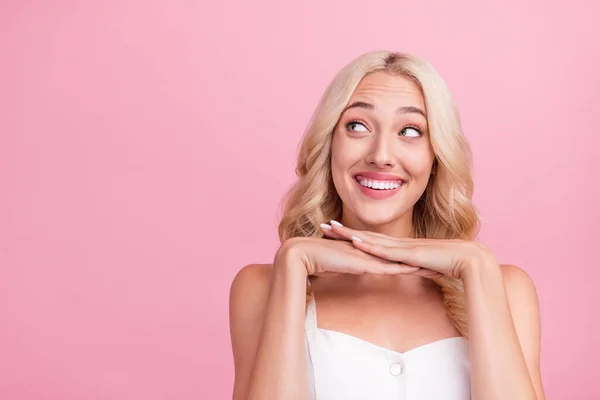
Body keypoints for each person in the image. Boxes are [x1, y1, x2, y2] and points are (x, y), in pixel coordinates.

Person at [228, 51, 546, 400]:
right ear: (329, 145)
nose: (381, 155)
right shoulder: (262, 287)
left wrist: (477, 265)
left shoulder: (505, 289)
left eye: (410, 131)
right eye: (357, 126)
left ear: (436, 158)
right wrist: (293, 263)